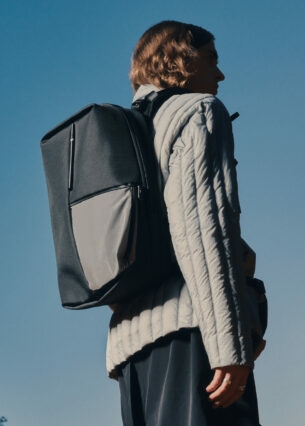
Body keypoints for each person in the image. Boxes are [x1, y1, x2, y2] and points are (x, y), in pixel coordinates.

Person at [107, 20, 265, 426]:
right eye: (211, 58)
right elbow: (204, 231)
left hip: (132, 354)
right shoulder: (199, 111)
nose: (220, 73)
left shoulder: (125, 131)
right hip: (193, 339)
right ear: (180, 58)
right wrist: (230, 346)